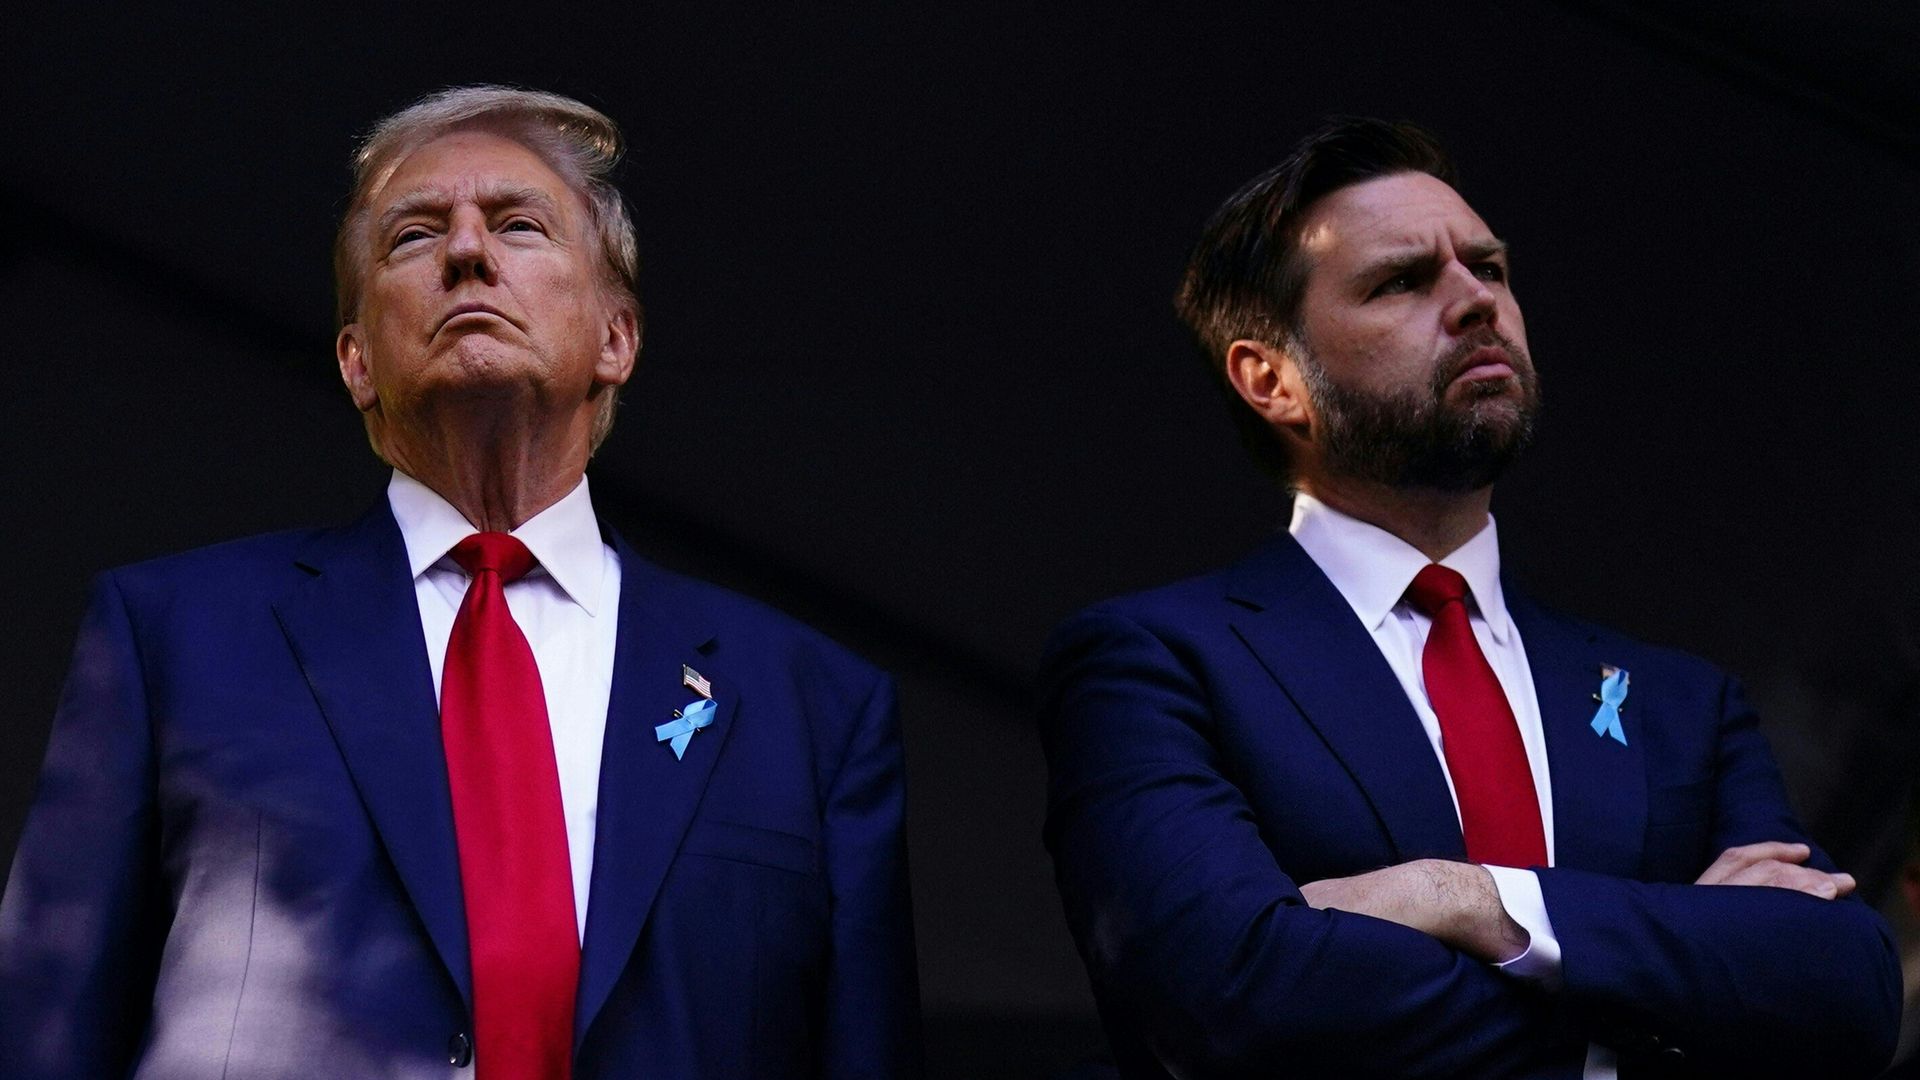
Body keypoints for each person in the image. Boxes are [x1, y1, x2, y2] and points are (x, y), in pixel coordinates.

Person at [0, 86, 920, 1079]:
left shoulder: (813, 705)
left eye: (520, 225)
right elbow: (44, 1032)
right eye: (413, 236)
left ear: (618, 339)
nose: (468, 253)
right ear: (355, 361)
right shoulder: (171, 637)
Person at [1038, 118, 1900, 1079]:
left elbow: (1847, 991)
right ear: (1272, 379)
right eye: (1400, 281)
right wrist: (1671, 991)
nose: (1475, 301)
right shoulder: (1154, 664)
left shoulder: (1679, 707)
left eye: (1488, 267)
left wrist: (1467, 900)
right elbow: (1229, 1003)